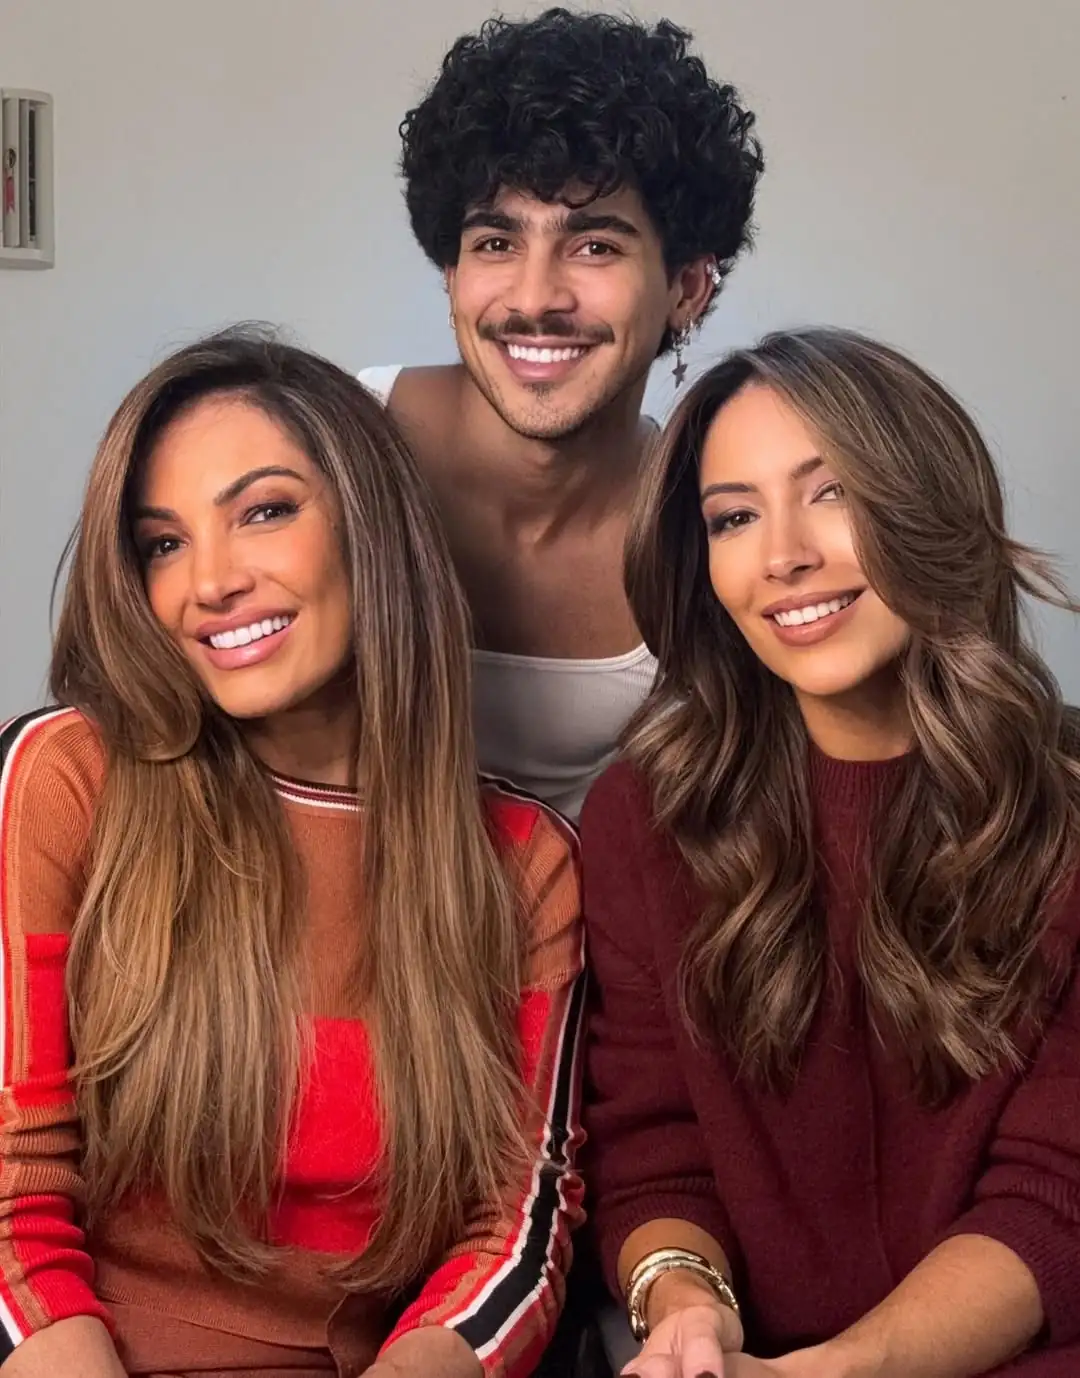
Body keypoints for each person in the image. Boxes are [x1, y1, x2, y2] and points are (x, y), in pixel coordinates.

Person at [0, 329, 584, 1378]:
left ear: (369, 526)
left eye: (263, 511)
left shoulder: (524, 864)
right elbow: (14, 1197)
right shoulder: (64, 778)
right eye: (162, 543)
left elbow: (514, 1227)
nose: (209, 582)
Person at [581, 328, 1080, 1376]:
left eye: (833, 492)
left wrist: (842, 1368)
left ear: (924, 503)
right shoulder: (648, 813)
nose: (783, 556)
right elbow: (655, 1146)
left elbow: (1055, 1195)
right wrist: (686, 1305)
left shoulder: (1066, 805)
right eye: (734, 517)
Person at [359, 7, 764, 820]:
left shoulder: (706, 526)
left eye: (595, 246)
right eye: (496, 243)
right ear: (452, 274)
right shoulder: (333, 446)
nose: (536, 298)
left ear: (686, 288)